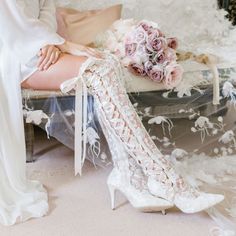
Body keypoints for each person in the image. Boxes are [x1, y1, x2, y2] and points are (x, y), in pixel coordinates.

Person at [0, 0, 224, 225]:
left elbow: (46, 6)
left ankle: (129, 176)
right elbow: (10, 18)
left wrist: (49, 40)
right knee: (100, 71)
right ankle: (166, 179)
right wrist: (59, 42)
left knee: (108, 63)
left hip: (38, 44)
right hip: (14, 52)